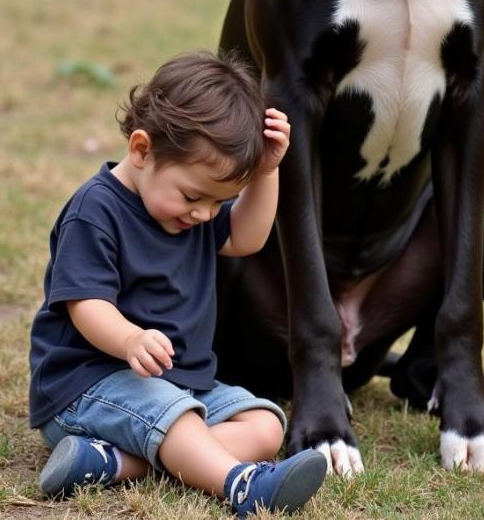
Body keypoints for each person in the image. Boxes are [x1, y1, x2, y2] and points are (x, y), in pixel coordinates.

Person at [28, 51, 326, 514]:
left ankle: (110, 463)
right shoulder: (96, 211)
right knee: (179, 420)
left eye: (218, 202)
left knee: (265, 425)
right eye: (193, 196)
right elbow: (84, 303)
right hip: (90, 387)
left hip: (182, 387)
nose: (205, 214)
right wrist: (128, 338)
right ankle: (242, 486)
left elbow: (248, 238)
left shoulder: (193, 212)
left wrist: (267, 172)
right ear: (142, 150)